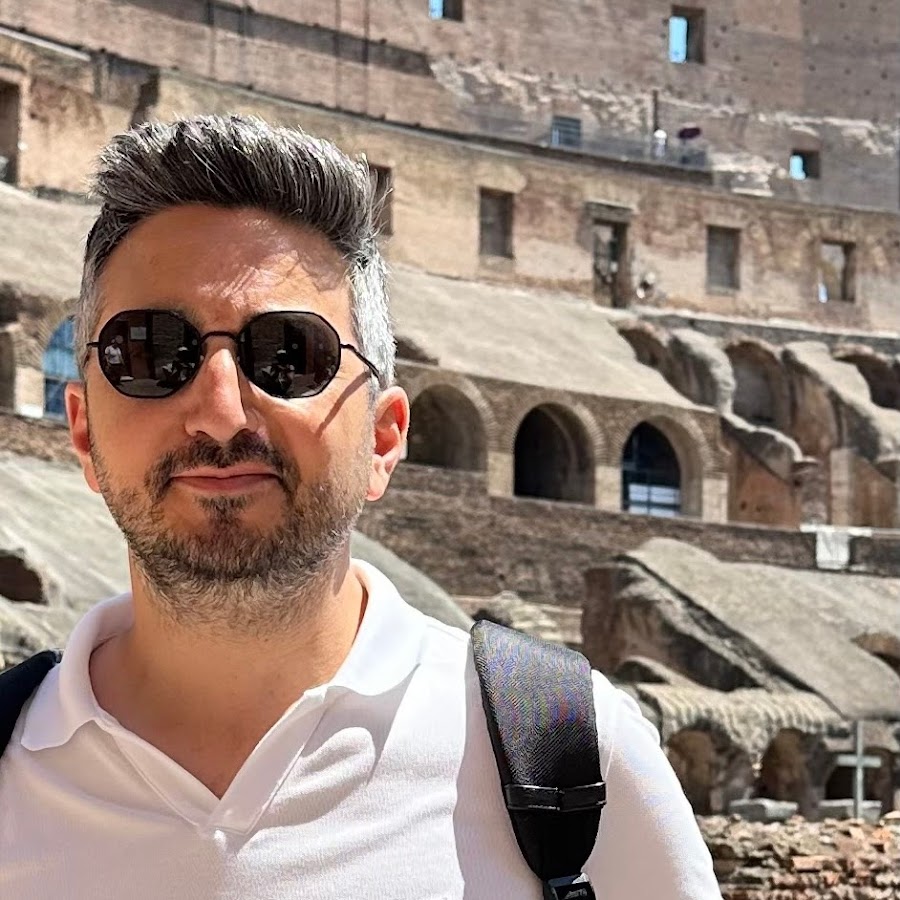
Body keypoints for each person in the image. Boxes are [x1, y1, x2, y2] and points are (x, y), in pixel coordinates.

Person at [0, 116, 722, 899]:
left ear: (384, 437)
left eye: (289, 355)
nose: (220, 412)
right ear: (82, 431)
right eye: (148, 352)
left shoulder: (581, 755)